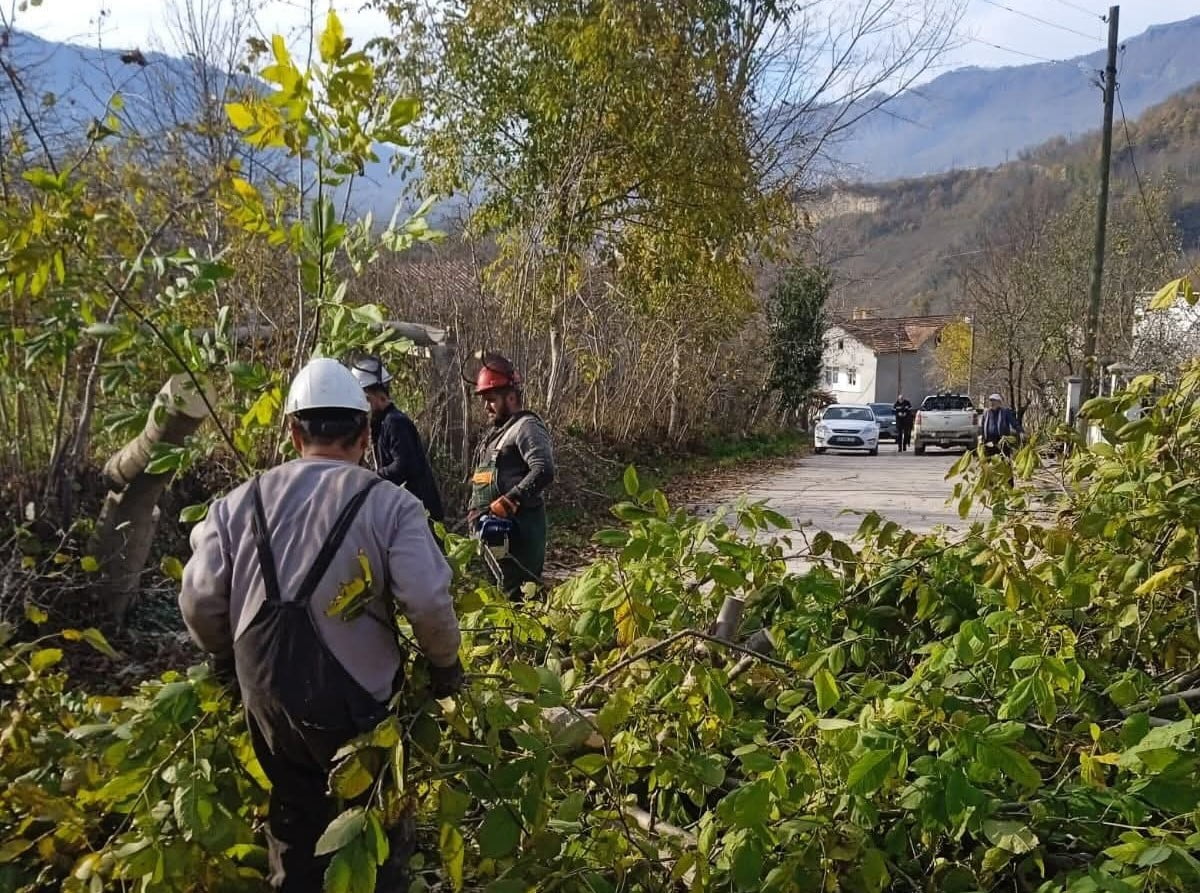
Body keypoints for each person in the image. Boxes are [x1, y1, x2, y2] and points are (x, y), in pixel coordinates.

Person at [180, 358, 463, 893]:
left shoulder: (236, 504)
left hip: (267, 701)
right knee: (373, 828)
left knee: (292, 815)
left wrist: (224, 660)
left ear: (293, 433)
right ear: (364, 433)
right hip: (357, 710)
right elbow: (427, 600)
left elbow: (197, 601)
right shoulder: (391, 505)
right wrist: (445, 667)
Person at [467, 353, 556, 597]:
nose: (486, 406)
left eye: (492, 399)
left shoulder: (526, 426)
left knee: (520, 600)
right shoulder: (497, 434)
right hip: (494, 537)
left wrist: (511, 499)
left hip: (517, 537)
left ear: (511, 396)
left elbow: (544, 469)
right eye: (484, 400)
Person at [351, 355, 444, 523]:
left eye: (366, 399)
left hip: (418, 514)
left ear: (381, 396)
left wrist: (372, 477)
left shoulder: (395, 422)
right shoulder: (380, 424)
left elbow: (403, 465)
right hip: (402, 511)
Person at [980, 392, 1023, 458]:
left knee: (1004, 460)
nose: (992, 403)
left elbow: (1014, 422)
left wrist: (1020, 431)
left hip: (1002, 440)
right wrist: (982, 438)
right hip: (989, 441)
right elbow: (983, 426)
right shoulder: (986, 413)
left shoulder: (1005, 412)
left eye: (994, 401)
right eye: (990, 401)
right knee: (990, 461)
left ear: (999, 402)